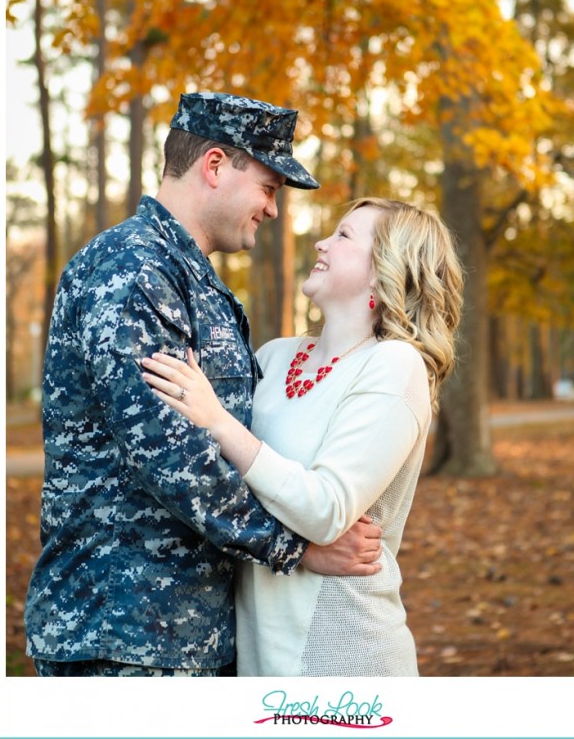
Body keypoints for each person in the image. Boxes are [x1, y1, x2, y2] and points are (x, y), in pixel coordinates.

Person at [24, 92, 382, 678]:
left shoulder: (193, 281)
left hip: (190, 635)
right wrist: (297, 549)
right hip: (122, 632)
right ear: (214, 166)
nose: (273, 210)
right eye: (268, 188)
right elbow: (172, 455)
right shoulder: (132, 270)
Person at [141, 195, 464, 676]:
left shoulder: (395, 366)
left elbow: (327, 508)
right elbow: (221, 482)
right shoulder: (274, 356)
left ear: (382, 270)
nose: (322, 242)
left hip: (340, 653)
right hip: (258, 651)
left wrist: (219, 421)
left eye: (344, 236)